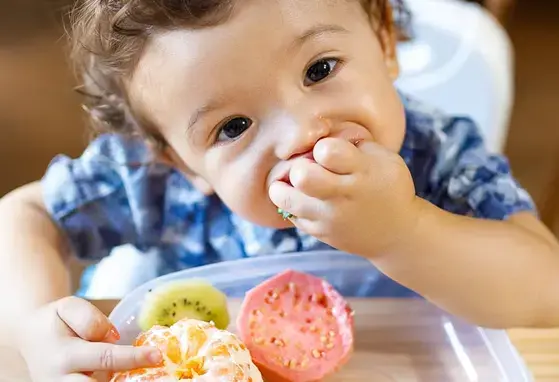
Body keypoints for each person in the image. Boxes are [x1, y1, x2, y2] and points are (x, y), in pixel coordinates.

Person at [1, 0, 558, 380]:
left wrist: (405, 231)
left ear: (386, 40)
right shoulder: (155, 181)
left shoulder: (441, 157)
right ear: (180, 160)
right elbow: (24, 216)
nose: (299, 135)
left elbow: (546, 289)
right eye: (233, 127)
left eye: (319, 69)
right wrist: (32, 323)